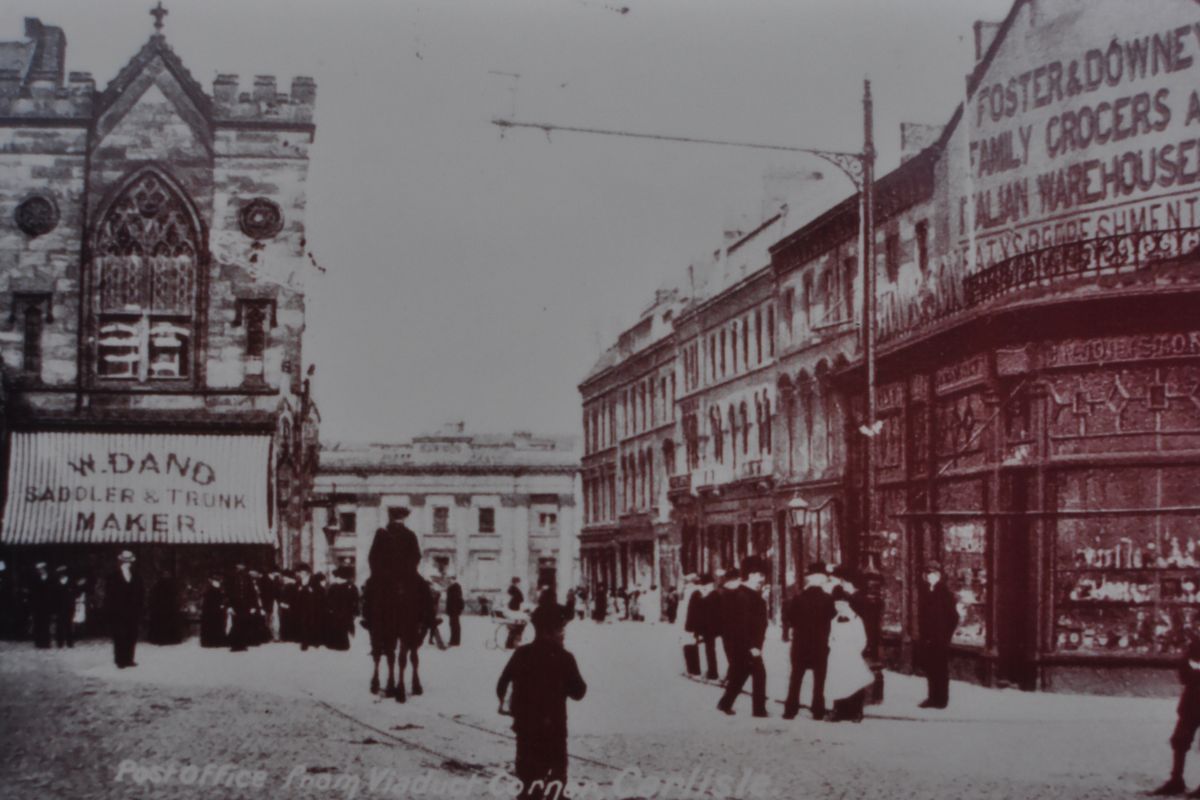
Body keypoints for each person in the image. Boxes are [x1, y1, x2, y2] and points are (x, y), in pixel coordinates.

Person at [496, 603, 587, 800]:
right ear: (551, 630)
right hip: (554, 730)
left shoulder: (521, 654)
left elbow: (502, 685)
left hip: (526, 729)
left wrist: (515, 708)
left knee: (528, 781)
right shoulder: (564, 658)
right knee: (556, 780)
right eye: (561, 629)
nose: (563, 633)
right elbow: (579, 692)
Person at [716, 557, 769, 718]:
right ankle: (759, 710)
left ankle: (725, 703)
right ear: (752, 575)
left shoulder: (747, 594)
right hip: (746, 644)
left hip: (745, 644)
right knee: (759, 673)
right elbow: (742, 624)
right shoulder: (744, 596)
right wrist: (752, 646)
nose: (762, 578)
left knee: (742, 673)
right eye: (760, 574)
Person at [783, 563, 836, 720]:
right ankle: (818, 710)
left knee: (796, 677)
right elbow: (832, 619)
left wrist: (798, 627)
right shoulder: (828, 599)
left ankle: (790, 710)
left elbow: (789, 617)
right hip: (820, 644)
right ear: (819, 579)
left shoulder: (798, 598)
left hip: (800, 644)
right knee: (819, 679)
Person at [1152, 639, 1200, 795]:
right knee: (1179, 740)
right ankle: (1176, 780)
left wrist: (1196, 672)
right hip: (1191, 702)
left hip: (1192, 698)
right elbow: (1183, 672)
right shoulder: (1196, 644)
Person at [825, 588, 873, 723]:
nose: (838, 607)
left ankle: (856, 712)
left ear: (847, 604)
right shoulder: (834, 621)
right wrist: (834, 647)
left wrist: (854, 652)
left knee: (854, 683)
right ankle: (838, 711)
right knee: (837, 682)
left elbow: (862, 639)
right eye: (836, 605)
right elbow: (831, 638)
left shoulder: (856, 620)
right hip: (837, 656)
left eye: (841, 604)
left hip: (851, 655)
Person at [917, 562, 959, 709]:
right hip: (929, 638)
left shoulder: (944, 593)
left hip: (939, 639)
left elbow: (953, 617)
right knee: (931, 668)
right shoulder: (927, 592)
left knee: (940, 669)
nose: (930, 577)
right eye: (928, 574)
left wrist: (945, 635)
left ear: (939, 576)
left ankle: (941, 700)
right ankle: (932, 697)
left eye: (933, 574)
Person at [105, 550, 144, 668]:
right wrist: (111, 610)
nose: (128, 563)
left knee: (131, 635)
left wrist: (140, 608)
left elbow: (141, 593)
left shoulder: (136, 576)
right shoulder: (113, 576)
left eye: (129, 561)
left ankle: (129, 659)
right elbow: (109, 595)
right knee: (119, 635)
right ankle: (120, 660)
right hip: (118, 612)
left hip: (133, 611)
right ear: (121, 561)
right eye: (125, 561)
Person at [369, 512, 421, 584]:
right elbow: (416, 556)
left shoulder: (381, 534)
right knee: (423, 589)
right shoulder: (410, 534)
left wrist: (377, 573)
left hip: (383, 575)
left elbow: (373, 557)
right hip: (404, 575)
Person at [685, 574, 720, 680]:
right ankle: (697, 670)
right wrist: (690, 628)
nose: (710, 586)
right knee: (704, 648)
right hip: (701, 626)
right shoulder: (698, 594)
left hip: (708, 627)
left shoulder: (711, 594)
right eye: (709, 584)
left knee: (710, 649)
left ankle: (712, 672)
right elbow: (692, 612)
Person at [715, 569, 741, 682]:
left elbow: (718, 611)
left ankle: (732, 676)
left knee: (731, 652)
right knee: (735, 653)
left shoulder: (722, 592)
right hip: (737, 627)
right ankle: (732, 675)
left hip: (726, 628)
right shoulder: (741, 591)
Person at [325, 566, 359, 651]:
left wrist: (354, 611)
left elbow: (355, 601)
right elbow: (328, 599)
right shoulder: (335, 586)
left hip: (343, 613)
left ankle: (339, 645)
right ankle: (337, 644)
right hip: (338, 612)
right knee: (337, 628)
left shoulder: (350, 587)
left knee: (341, 629)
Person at [29, 562, 53, 649]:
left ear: (45, 569)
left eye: (42, 569)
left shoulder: (50, 578)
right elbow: (33, 592)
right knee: (38, 623)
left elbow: (52, 591)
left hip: (47, 604)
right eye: (39, 570)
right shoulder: (35, 579)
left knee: (46, 624)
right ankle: (38, 642)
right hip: (38, 605)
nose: (40, 571)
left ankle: (46, 642)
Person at [200, 575, 227, 648]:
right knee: (211, 625)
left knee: (219, 624)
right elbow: (207, 600)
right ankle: (210, 642)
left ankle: (218, 641)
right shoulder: (208, 588)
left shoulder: (220, 587)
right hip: (210, 610)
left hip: (218, 609)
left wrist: (222, 604)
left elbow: (222, 597)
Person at [53, 566, 75, 648]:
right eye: (60, 573)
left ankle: (70, 642)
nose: (62, 574)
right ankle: (60, 642)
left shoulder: (71, 581)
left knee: (69, 625)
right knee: (60, 625)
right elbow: (54, 596)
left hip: (69, 606)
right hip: (59, 607)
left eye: (63, 572)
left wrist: (72, 604)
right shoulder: (56, 583)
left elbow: (74, 593)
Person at [445, 574, 464, 647]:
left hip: (454, 610)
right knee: (452, 625)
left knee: (455, 625)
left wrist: (459, 609)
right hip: (452, 610)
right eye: (449, 579)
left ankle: (455, 641)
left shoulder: (456, 587)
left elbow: (458, 600)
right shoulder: (452, 587)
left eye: (450, 579)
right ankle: (453, 640)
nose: (449, 580)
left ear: (454, 579)